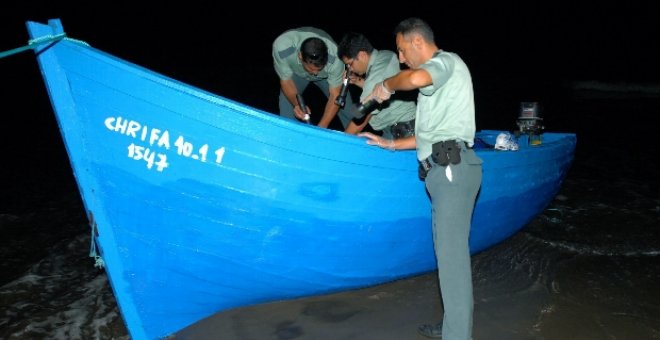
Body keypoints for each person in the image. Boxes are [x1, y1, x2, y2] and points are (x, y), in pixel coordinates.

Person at [359, 17, 483, 339]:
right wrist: (391, 143)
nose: (400, 57)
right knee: (447, 257)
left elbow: (413, 77)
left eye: (401, 50)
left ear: (417, 42)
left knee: (452, 261)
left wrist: (387, 84)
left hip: (451, 171)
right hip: (443, 170)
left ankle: (457, 335)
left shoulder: (444, 63)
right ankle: (451, 327)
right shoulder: (436, 85)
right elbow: (428, 135)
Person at [337, 32, 416, 138]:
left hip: (404, 132)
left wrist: (340, 141)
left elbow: (360, 120)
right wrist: (357, 81)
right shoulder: (385, 55)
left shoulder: (376, 76)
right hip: (404, 126)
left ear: (362, 55)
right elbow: (380, 87)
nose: (350, 69)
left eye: (350, 64)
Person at [272, 27, 353, 129]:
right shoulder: (283, 47)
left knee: (347, 109)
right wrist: (297, 104)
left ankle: (354, 141)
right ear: (300, 56)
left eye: (318, 69)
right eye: (311, 69)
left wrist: (322, 126)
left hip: (326, 77)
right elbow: (285, 81)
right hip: (297, 74)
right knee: (287, 106)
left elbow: (335, 96)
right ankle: (288, 138)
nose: (315, 73)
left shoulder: (336, 59)